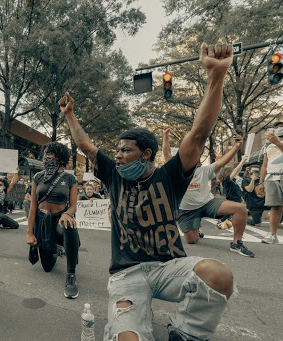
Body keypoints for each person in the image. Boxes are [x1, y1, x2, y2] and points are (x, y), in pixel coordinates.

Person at [63, 43, 237, 341]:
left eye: (125, 150)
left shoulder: (170, 176)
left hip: (168, 269)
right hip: (126, 274)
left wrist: (216, 76)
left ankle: (184, 332)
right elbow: (85, 145)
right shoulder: (113, 176)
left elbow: (198, 133)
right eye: (116, 150)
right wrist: (69, 114)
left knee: (219, 275)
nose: (116, 155)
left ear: (145, 154)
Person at [164, 125, 254, 256]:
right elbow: (166, 154)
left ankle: (236, 244)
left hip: (207, 204)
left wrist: (236, 147)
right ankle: (195, 226)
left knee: (240, 208)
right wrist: (165, 135)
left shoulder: (204, 171)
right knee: (192, 240)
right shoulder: (175, 171)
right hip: (187, 211)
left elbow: (223, 161)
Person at [26, 142, 80, 299]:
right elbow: (33, 207)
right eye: (45, 154)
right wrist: (29, 233)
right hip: (43, 221)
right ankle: (56, 247)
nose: (46, 157)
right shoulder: (38, 177)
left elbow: (73, 206)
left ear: (60, 157)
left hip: (60, 220)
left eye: (49, 154)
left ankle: (71, 275)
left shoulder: (70, 179)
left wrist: (67, 214)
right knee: (47, 267)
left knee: (69, 225)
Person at [259, 123, 283, 244]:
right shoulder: (267, 146)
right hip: (272, 177)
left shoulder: (278, 143)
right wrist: (260, 182)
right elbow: (264, 165)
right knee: (275, 206)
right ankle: (272, 235)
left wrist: (278, 143)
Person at [216, 155, 249, 229]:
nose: (235, 173)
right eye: (232, 172)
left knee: (233, 212)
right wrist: (242, 160)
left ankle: (224, 222)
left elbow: (238, 170)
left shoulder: (233, 180)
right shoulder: (226, 181)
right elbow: (236, 170)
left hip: (237, 200)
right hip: (232, 200)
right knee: (233, 212)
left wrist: (242, 163)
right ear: (228, 173)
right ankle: (221, 221)